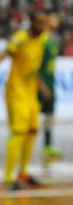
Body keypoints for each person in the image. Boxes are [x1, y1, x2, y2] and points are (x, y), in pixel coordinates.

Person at [0, 12, 49, 190]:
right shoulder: (20, 39)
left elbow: (33, 68)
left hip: (31, 92)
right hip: (15, 92)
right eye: (39, 22)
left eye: (44, 23)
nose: (42, 26)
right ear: (32, 22)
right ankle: (8, 178)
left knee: (33, 130)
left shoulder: (42, 40)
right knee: (18, 132)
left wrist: (42, 87)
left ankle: (23, 173)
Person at [39, 12, 62, 162]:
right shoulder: (40, 40)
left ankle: (47, 145)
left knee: (50, 114)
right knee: (29, 113)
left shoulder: (53, 40)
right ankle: (15, 139)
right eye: (53, 18)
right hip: (39, 82)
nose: (57, 20)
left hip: (51, 81)